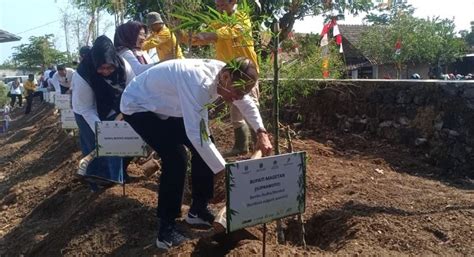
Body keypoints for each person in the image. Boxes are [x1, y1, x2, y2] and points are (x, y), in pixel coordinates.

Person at [120, 57, 272, 249]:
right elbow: (196, 134)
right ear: (225, 77)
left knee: (207, 148)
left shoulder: (227, 75)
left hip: (171, 106)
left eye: (243, 93)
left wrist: (261, 132)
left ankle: (198, 210)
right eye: (237, 92)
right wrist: (225, 171)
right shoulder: (197, 82)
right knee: (176, 158)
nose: (237, 97)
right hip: (139, 106)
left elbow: (245, 102)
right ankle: (166, 231)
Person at [191, 0, 260, 157]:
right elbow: (207, 35)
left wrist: (212, 35)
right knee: (235, 110)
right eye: (217, 6)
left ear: (233, 2)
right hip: (229, 75)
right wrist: (193, 38)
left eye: (222, 5)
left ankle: (260, 145)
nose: (220, 8)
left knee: (250, 107)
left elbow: (231, 31)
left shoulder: (242, 17)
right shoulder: (218, 22)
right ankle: (241, 146)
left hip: (245, 74)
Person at [72, 35, 136, 190]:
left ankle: (114, 181)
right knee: (94, 143)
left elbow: (132, 91)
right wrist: (103, 131)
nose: (106, 71)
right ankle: (96, 183)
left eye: (109, 67)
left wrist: (123, 115)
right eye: (101, 68)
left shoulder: (124, 67)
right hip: (84, 110)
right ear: (94, 63)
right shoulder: (83, 74)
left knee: (117, 145)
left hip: (115, 107)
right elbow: (87, 109)